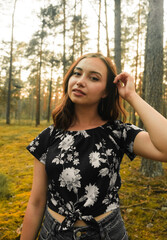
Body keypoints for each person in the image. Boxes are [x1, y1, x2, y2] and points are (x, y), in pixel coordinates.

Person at [20, 53, 167, 240]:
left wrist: (131, 95)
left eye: (93, 78)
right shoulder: (49, 137)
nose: (80, 81)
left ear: (106, 91)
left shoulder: (118, 133)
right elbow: (36, 202)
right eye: (77, 73)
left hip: (106, 233)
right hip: (53, 233)